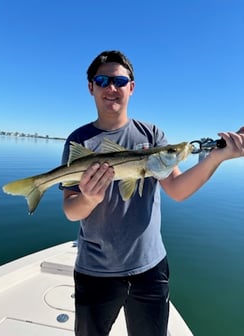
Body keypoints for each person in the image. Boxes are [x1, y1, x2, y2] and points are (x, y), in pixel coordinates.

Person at [61, 50, 244, 336]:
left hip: (150, 269)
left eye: (120, 81)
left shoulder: (151, 135)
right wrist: (89, 198)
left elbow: (178, 190)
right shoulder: (78, 140)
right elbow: (71, 211)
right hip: (95, 271)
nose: (112, 88)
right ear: (91, 87)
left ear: (131, 87)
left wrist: (215, 158)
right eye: (102, 80)